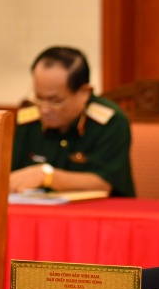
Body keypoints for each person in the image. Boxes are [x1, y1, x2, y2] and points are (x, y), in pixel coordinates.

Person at [10, 46, 136, 197]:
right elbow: (10, 175)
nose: (44, 110)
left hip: (97, 213)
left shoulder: (110, 122)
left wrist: (47, 176)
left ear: (84, 92)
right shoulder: (28, 121)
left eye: (55, 101)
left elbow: (104, 183)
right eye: (39, 98)